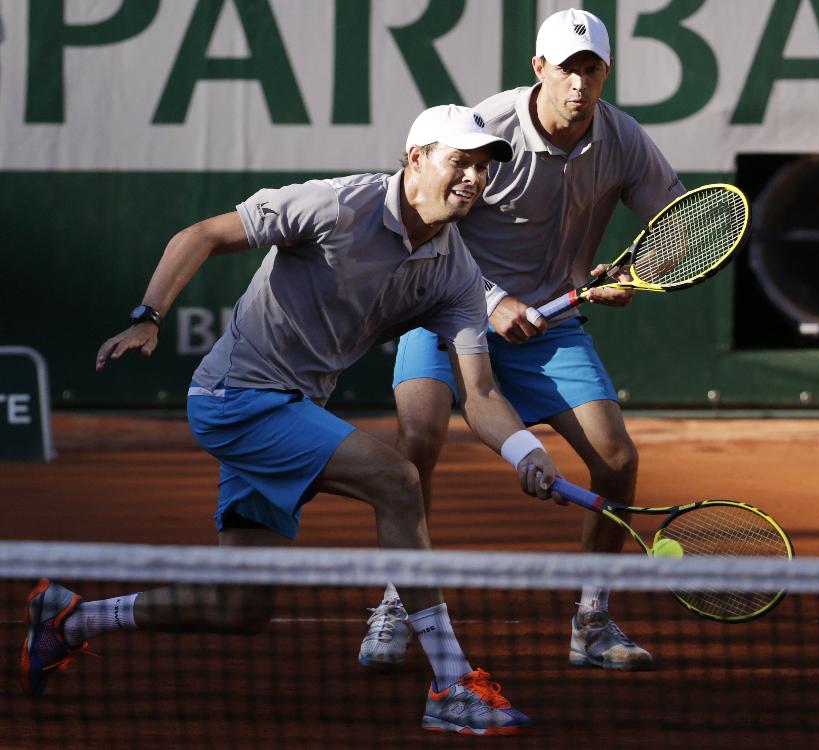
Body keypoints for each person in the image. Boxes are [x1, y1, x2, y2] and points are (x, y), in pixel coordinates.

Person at [21, 104, 562, 736]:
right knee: (398, 479)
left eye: (483, 167)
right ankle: (450, 682)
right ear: (417, 158)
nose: (474, 178)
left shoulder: (456, 271)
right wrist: (149, 315)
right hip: (236, 398)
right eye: (460, 162)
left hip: (295, 408)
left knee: (239, 606)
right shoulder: (335, 205)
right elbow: (201, 234)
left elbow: (481, 392)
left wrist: (525, 449)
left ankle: (70, 618)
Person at [364, 8, 686, 672]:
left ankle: (593, 622)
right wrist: (488, 299)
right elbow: (424, 222)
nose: (579, 84)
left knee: (616, 459)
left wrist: (636, 272)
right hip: (445, 309)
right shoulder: (488, 130)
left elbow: (678, 228)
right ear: (539, 69)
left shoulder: (622, 138)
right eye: (567, 70)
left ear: (606, 73)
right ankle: (399, 599)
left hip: (551, 327)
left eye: (591, 70)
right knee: (416, 442)